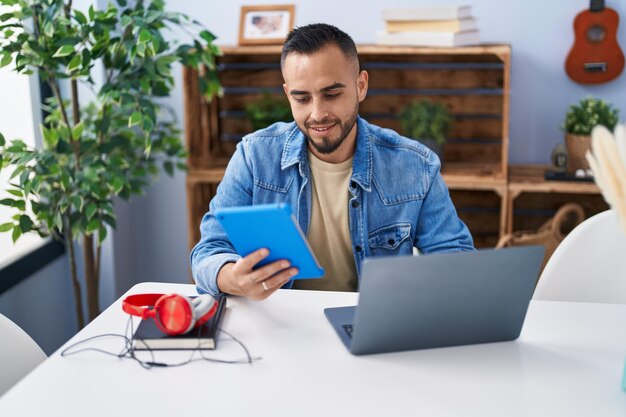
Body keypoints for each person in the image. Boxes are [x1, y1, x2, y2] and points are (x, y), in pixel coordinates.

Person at [191, 23, 474, 300]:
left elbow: (455, 257)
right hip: (282, 324)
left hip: (370, 324)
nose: (317, 113)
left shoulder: (416, 165)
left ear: (361, 86)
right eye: (302, 98)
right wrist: (234, 279)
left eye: (332, 94)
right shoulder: (254, 156)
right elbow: (208, 252)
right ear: (288, 94)